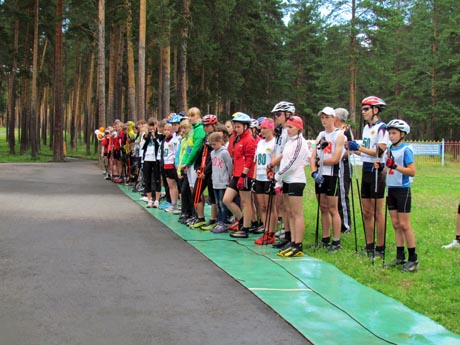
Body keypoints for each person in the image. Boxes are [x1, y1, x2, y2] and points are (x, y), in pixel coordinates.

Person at [348, 96, 389, 258]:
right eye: (362, 109)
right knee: (366, 212)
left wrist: (360, 148)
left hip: (377, 170)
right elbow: (364, 151)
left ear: (375, 110)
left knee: (378, 212)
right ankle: (369, 245)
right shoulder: (366, 128)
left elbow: (379, 151)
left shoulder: (382, 128)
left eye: (366, 109)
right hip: (365, 168)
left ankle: (380, 247)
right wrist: (353, 148)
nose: (363, 112)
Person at [380, 119, 418, 272]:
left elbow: (412, 171)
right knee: (395, 224)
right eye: (390, 133)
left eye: (394, 133)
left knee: (404, 224)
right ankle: (399, 256)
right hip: (391, 189)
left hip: (403, 190)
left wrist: (395, 166)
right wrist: (381, 168)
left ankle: (413, 259)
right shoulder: (389, 149)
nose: (391, 136)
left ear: (403, 134)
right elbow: (386, 169)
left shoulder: (406, 149)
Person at [310, 107, 346, 252]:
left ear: (333, 118)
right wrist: (314, 171)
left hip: (332, 175)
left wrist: (320, 163)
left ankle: (336, 241)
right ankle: (325, 239)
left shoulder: (339, 135)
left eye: (327, 117)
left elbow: (336, 158)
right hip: (320, 174)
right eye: (322, 118)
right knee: (323, 207)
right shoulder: (320, 135)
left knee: (332, 208)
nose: (324, 120)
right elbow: (312, 154)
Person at [275, 116, 310, 257]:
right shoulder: (289, 142)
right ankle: (292, 240)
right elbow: (284, 160)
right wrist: (280, 180)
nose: (288, 130)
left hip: (296, 179)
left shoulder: (301, 142)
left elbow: (293, 164)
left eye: (291, 127)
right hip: (287, 179)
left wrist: (278, 175)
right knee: (289, 212)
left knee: (297, 213)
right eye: (287, 127)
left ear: (299, 128)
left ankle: (298, 244)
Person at [223, 112, 257, 238]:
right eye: (235, 126)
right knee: (226, 199)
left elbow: (249, 159)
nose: (236, 129)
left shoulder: (249, 140)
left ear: (246, 126)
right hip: (236, 173)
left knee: (245, 201)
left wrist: (243, 176)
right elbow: (232, 155)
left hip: (245, 175)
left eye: (238, 127)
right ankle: (242, 221)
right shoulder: (236, 138)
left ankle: (246, 229)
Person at [268, 101, 296, 249]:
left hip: (287, 173)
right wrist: (272, 164)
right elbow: (276, 150)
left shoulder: (289, 132)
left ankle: (292, 236)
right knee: (282, 206)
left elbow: (285, 153)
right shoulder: (279, 131)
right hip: (279, 172)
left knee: (289, 207)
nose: (276, 117)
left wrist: (273, 163)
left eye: (278, 114)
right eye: (275, 115)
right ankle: (286, 234)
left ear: (288, 114)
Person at [191, 114, 218, 230]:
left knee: (212, 196)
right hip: (201, 170)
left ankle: (213, 219)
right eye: (204, 125)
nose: (205, 128)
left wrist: (205, 172)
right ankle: (200, 218)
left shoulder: (216, 138)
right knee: (196, 193)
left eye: (207, 126)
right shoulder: (204, 138)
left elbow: (214, 158)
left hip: (211, 172)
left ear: (213, 125)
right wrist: (197, 168)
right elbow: (199, 154)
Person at [208, 131, 233, 233]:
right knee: (218, 203)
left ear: (220, 142)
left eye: (215, 144)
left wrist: (229, 178)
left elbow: (229, 166)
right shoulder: (212, 153)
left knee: (223, 203)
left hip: (223, 182)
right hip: (216, 182)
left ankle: (224, 221)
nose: (213, 146)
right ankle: (219, 221)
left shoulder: (224, 152)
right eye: (211, 145)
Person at [334, 108, 353, 234]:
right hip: (334, 166)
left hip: (343, 165)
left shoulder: (346, 130)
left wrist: (339, 155)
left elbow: (349, 149)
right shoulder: (335, 131)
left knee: (342, 195)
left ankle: (345, 225)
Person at [161, 122, 180, 214]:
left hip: (173, 165)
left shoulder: (175, 140)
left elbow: (176, 152)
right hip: (166, 164)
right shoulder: (164, 140)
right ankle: (173, 204)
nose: (166, 131)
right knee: (170, 186)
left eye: (168, 129)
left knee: (177, 186)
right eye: (165, 130)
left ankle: (179, 205)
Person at [142, 118, 162, 208]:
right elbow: (142, 146)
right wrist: (146, 136)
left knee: (157, 179)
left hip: (156, 159)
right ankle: (149, 199)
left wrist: (154, 137)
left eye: (153, 125)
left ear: (156, 125)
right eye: (150, 125)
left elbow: (159, 145)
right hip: (147, 159)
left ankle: (157, 199)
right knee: (147, 179)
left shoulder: (160, 136)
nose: (151, 127)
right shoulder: (146, 135)